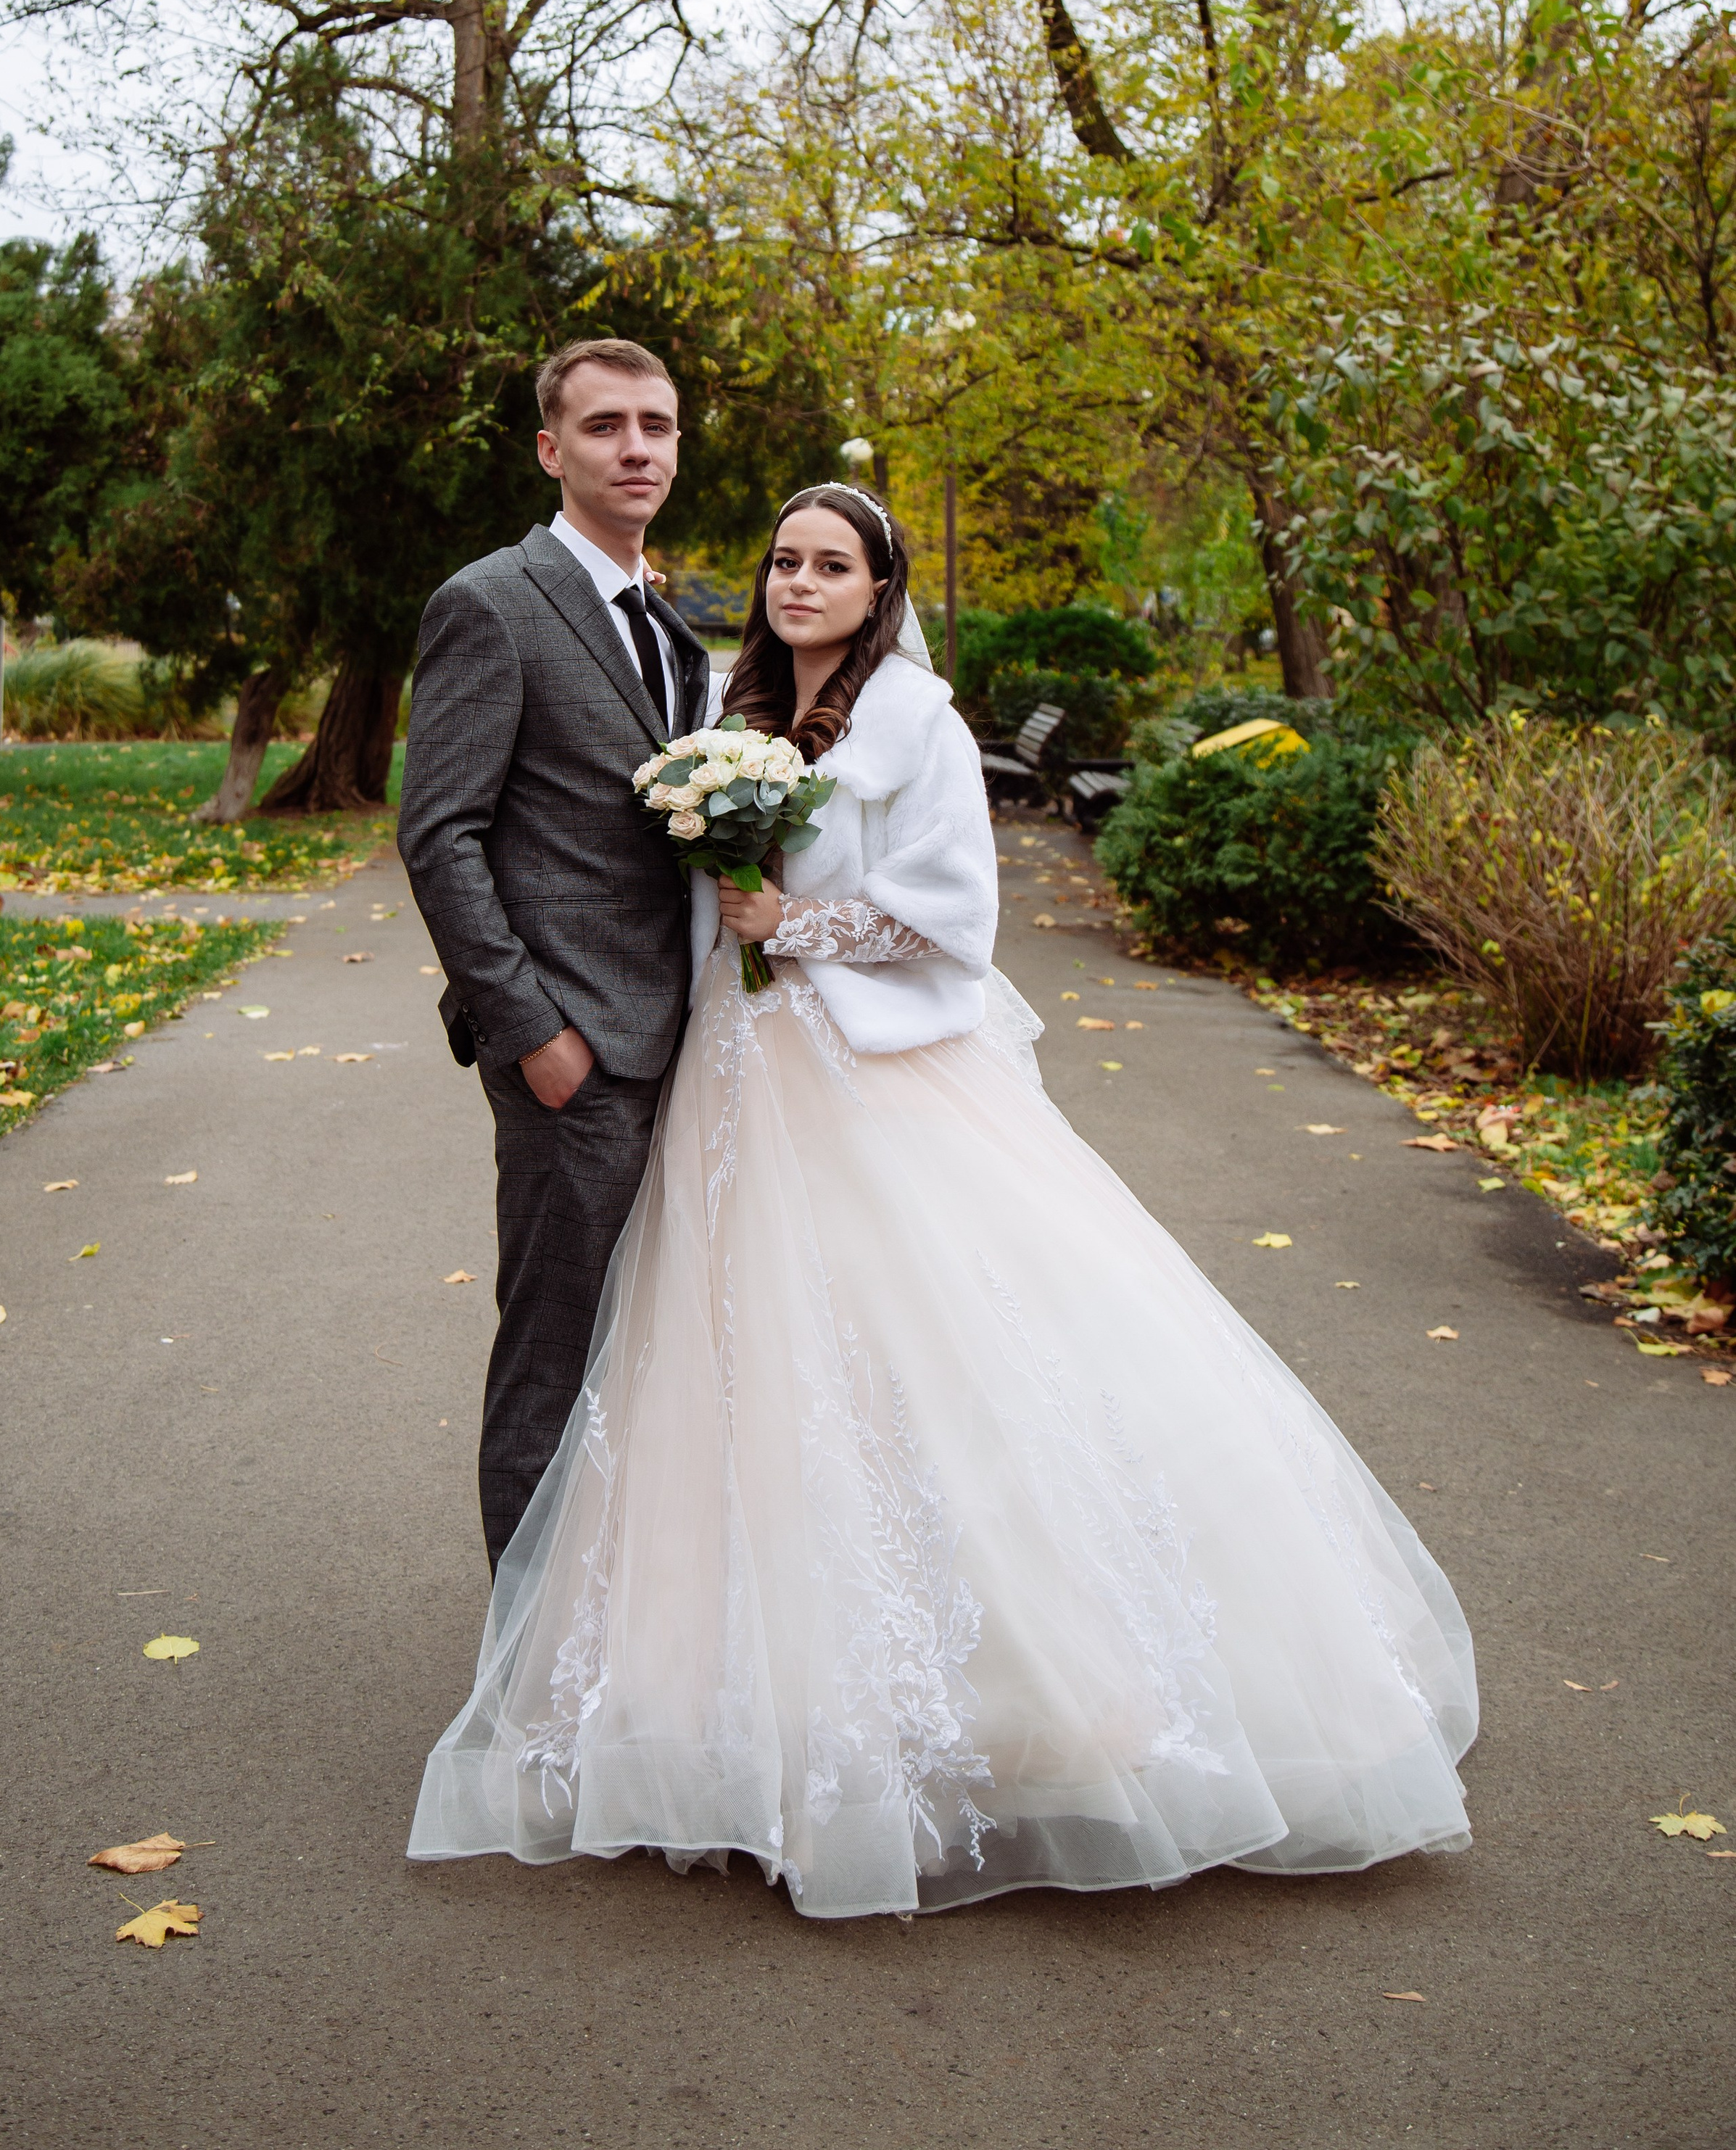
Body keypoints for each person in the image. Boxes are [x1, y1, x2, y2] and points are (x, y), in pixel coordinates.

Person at [409, 484, 1478, 1919]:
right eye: (784, 559)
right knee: (736, 1372)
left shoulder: (912, 719)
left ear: (876, 589)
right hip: (726, 1072)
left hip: (864, 1071)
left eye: (830, 564)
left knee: (918, 1356)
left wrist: (795, 921)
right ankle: (708, 1697)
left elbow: (954, 916)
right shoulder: (726, 716)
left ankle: (1002, 1687)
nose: (799, 580)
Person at [398, 338, 710, 1569]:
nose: (637, 448)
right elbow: (440, 836)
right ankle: (527, 1677)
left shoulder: (668, 630)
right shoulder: (492, 602)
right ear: (551, 448)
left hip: (681, 1042)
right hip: (573, 1061)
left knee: (650, 1352)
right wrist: (535, 1037)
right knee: (553, 1355)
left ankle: (617, 1621)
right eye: (605, 427)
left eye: (658, 425)